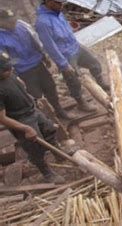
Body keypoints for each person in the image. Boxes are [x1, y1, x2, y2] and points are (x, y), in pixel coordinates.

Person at [35, 0, 109, 113]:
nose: (61, 5)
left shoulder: (58, 13)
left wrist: (70, 29)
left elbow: (62, 28)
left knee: (94, 63)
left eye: (61, 2)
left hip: (75, 46)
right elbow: (49, 46)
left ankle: (101, 82)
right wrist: (63, 64)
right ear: (47, 1)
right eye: (57, 2)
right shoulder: (42, 23)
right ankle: (81, 102)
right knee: (73, 79)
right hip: (65, 54)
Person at [0, 51, 65, 183]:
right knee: (35, 148)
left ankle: (59, 154)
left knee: (49, 130)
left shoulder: (10, 75)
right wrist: (25, 129)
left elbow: (21, 89)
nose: (11, 69)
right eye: (6, 69)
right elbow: (2, 118)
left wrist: (32, 99)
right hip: (21, 119)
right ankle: (47, 173)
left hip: (32, 111)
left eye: (10, 66)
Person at [0, 9, 74, 120]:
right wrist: (16, 70)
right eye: (10, 22)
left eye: (14, 20)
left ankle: (59, 110)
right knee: (36, 96)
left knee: (50, 88)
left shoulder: (22, 25)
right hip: (23, 72)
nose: (13, 23)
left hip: (38, 64)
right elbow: (5, 61)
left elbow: (35, 40)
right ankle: (49, 120)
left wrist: (44, 55)